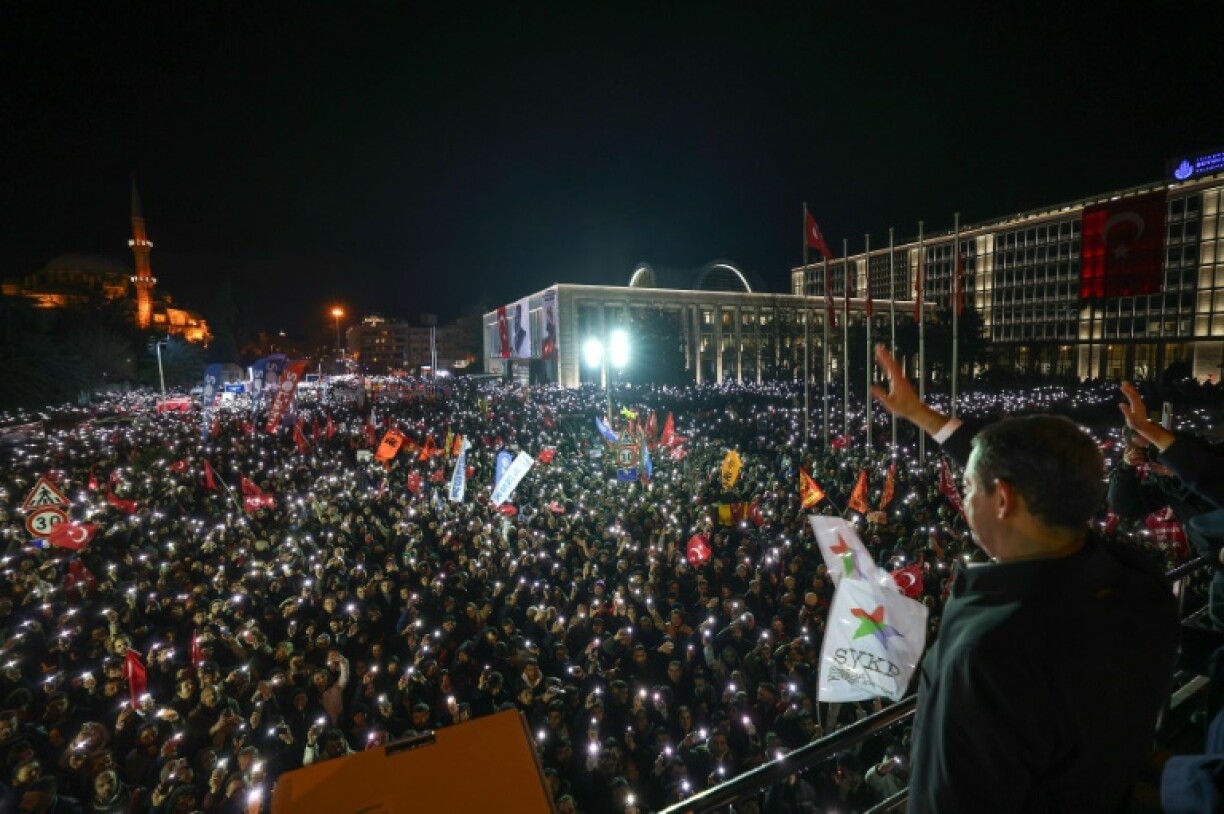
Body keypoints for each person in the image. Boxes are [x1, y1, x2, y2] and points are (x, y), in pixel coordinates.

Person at [870, 344, 1180, 812]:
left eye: (969, 487)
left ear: (1003, 501)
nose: (964, 497)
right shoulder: (1138, 582)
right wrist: (923, 416)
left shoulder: (990, 652)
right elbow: (1012, 465)